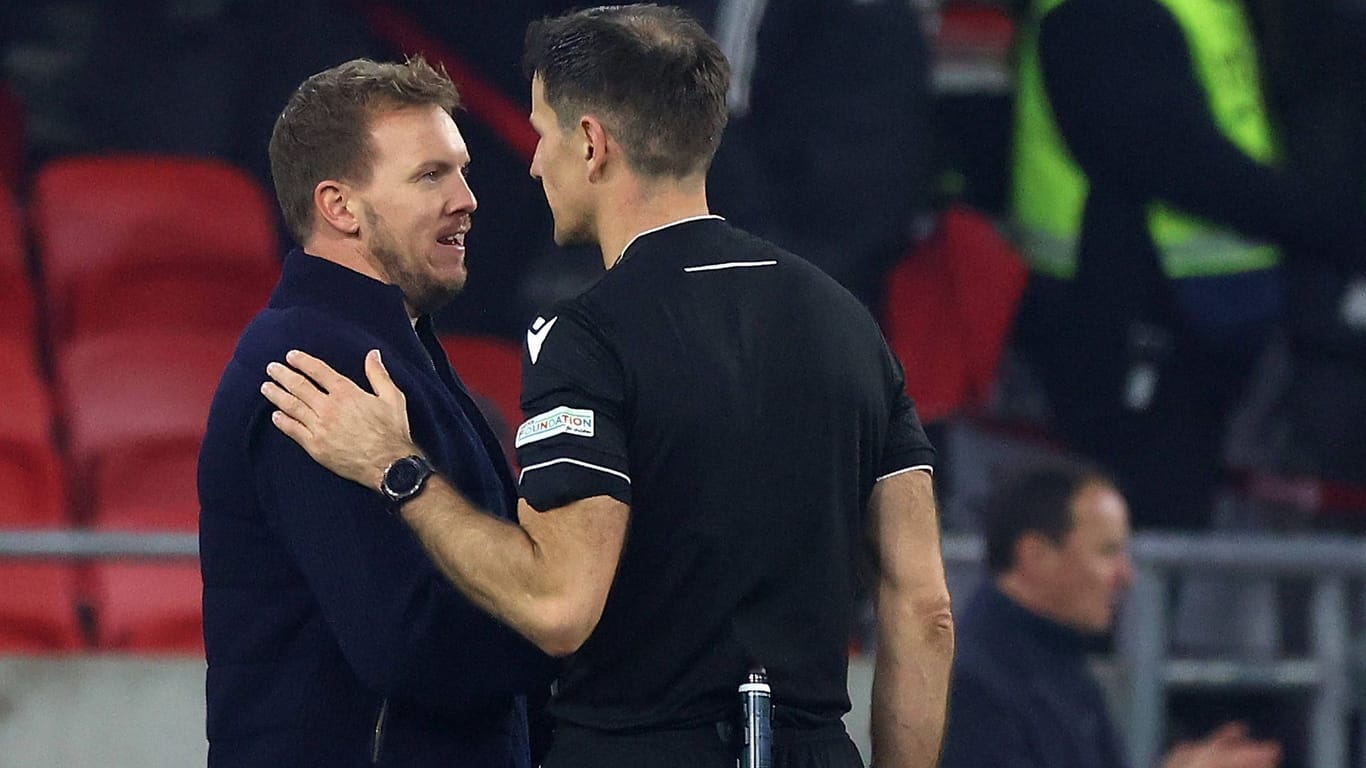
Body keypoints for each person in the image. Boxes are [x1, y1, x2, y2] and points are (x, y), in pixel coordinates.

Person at [258, 5, 955, 767]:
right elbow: (924, 611)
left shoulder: (586, 337)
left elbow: (557, 606)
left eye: (543, 133)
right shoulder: (849, 326)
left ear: (591, 144)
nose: (531, 162)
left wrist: (401, 470)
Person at [196, 56, 551, 767]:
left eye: (462, 169)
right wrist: (564, 632)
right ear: (340, 206)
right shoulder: (316, 363)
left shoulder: (392, 351)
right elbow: (411, 642)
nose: (467, 198)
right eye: (431, 176)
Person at [1008, 0, 1366, 531]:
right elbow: (1170, 155)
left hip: (1216, 308)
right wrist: (1327, 225)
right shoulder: (1109, 18)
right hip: (1136, 312)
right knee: (1150, 534)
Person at [939, 463, 1282, 768]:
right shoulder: (973, 687)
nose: (1126, 575)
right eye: (1107, 552)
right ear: (1037, 555)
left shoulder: (1059, 662)